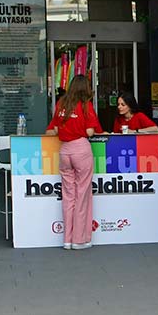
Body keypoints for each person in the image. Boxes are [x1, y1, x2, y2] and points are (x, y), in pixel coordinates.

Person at [46, 77, 102, 251]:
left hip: (65, 151)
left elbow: (55, 129)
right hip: (81, 149)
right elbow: (90, 132)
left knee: (68, 195)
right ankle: (79, 240)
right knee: (82, 195)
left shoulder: (61, 104)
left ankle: (67, 240)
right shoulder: (86, 105)